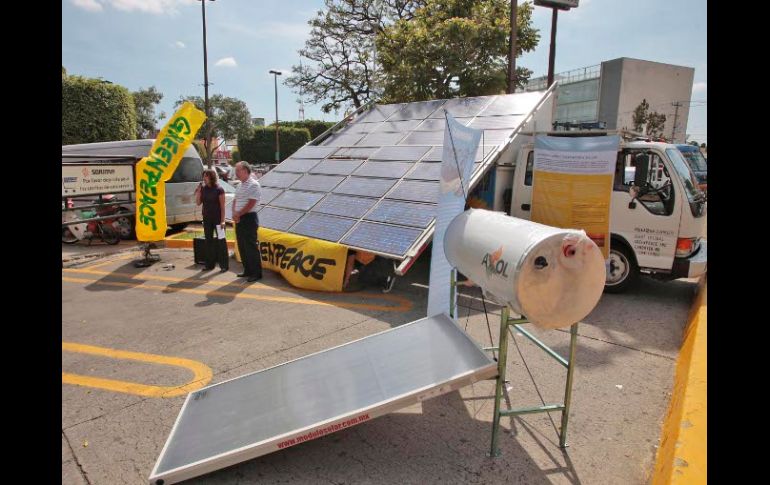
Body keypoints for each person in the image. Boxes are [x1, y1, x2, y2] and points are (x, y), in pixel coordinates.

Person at [231, 161, 263, 282]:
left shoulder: (253, 185)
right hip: (239, 218)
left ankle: (256, 273)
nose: (236, 173)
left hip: (249, 218)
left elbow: (251, 203)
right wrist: (234, 213)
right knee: (242, 246)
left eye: (238, 170)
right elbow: (235, 200)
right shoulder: (239, 185)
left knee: (250, 246)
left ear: (245, 171)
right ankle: (247, 270)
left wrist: (239, 213)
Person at [194, 168, 228, 272]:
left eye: (206, 176)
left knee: (221, 241)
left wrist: (223, 221)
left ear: (211, 177)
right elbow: (198, 203)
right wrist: (198, 192)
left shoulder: (219, 189)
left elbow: (223, 207)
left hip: (218, 219)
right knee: (208, 242)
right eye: (203, 176)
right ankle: (210, 265)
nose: (204, 178)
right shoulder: (203, 189)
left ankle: (224, 265)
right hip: (207, 219)